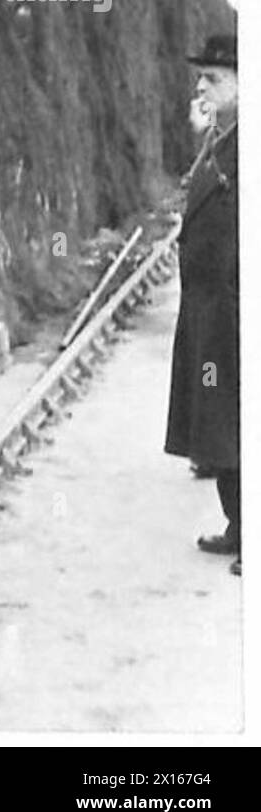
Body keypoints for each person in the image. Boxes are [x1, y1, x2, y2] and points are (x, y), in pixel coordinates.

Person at [165, 33, 239, 576]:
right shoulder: (223, 137)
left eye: (212, 78)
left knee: (240, 423)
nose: (200, 85)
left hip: (236, 309)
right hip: (211, 308)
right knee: (220, 423)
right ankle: (241, 527)